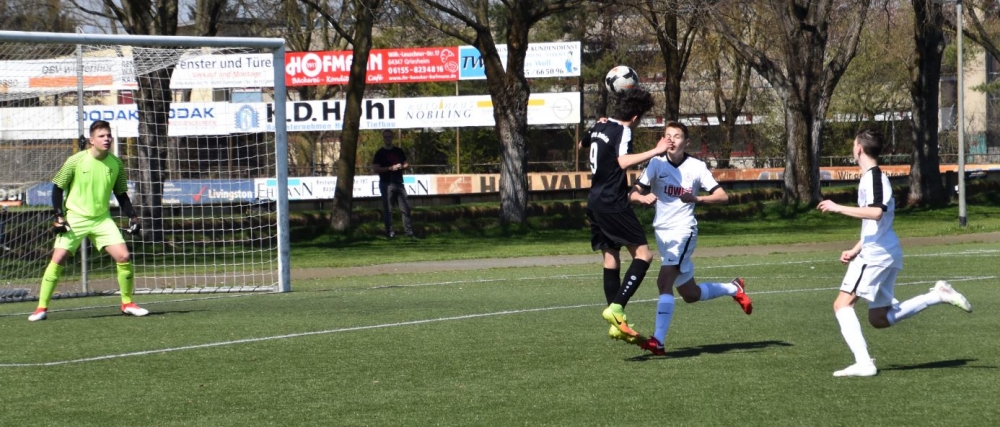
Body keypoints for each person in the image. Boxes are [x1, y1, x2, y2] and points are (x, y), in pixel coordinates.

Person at [817, 129, 972, 377]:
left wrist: (838, 207)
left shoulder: (874, 178)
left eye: (853, 144)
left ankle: (864, 363)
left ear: (858, 148)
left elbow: (876, 212)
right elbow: (876, 224)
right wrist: (855, 249)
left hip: (876, 255)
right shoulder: (871, 178)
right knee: (878, 318)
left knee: (842, 305)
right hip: (884, 251)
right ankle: (937, 295)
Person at [630, 121, 752, 355]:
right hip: (662, 233)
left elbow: (722, 196)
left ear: (686, 142)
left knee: (663, 282)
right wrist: (641, 198)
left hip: (684, 231)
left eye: (677, 136)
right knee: (690, 294)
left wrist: (697, 199)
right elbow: (632, 193)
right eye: (668, 135)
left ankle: (658, 340)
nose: (671, 140)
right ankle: (733, 287)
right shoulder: (655, 163)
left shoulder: (696, 166)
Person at [28, 120, 148, 321]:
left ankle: (127, 303)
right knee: (58, 258)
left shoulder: (116, 163)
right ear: (92, 140)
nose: (106, 139)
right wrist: (59, 215)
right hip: (75, 217)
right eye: (101, 136)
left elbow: (121, 193)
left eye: (108, 135)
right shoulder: (75, 160)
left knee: (123, 256)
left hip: (102, 219)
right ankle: (41, 308)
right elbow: (57, 187)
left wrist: (133, 216)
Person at [579, 87, 668, 344]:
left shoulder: (600, 126)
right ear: (636, 117)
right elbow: (623, 161)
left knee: (611, 257)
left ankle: (617, 324)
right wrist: (656, 150)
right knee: (644, 255)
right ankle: (616, 308)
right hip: (613, 203)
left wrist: (596, 127)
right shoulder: (623, 130)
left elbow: (581, 144)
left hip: (595, 202)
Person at [372, 129, 414, 238]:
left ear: (392, 138)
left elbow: (406, 164)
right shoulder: (380, 153)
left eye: (389, 137)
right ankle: (390, 232)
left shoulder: (398, 151)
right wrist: (390, 168)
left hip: (399, 183)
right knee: (388, 210)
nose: (388, 139)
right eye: (386, 137)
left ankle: (409, 232)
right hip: (386, 184)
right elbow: (376, 169)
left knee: (405, 208)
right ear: (383, 138)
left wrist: (401, 166)